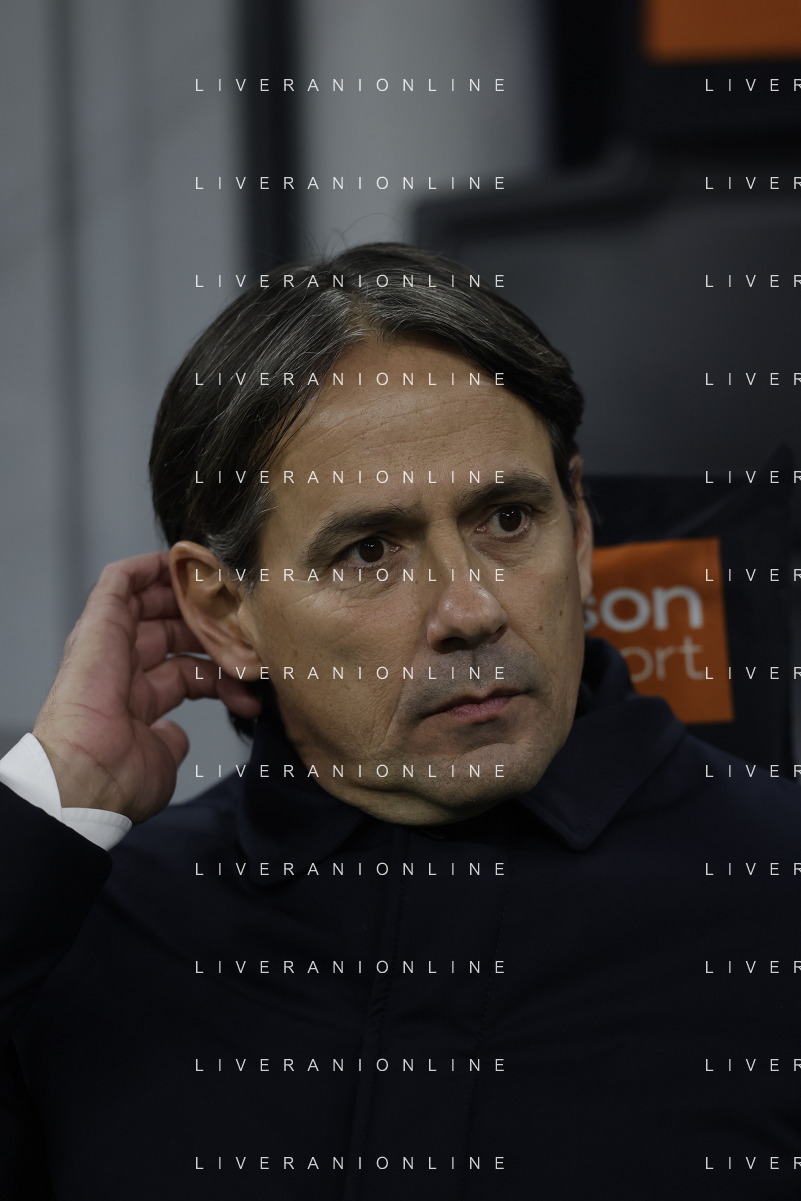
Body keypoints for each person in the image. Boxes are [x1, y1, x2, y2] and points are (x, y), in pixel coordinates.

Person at [0, 244, 797, 1201]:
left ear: (579, 529)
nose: (471, 609)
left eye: (508, 519)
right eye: (370, 550)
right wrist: (49, 805)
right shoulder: (80, 931)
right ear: (223, 610)